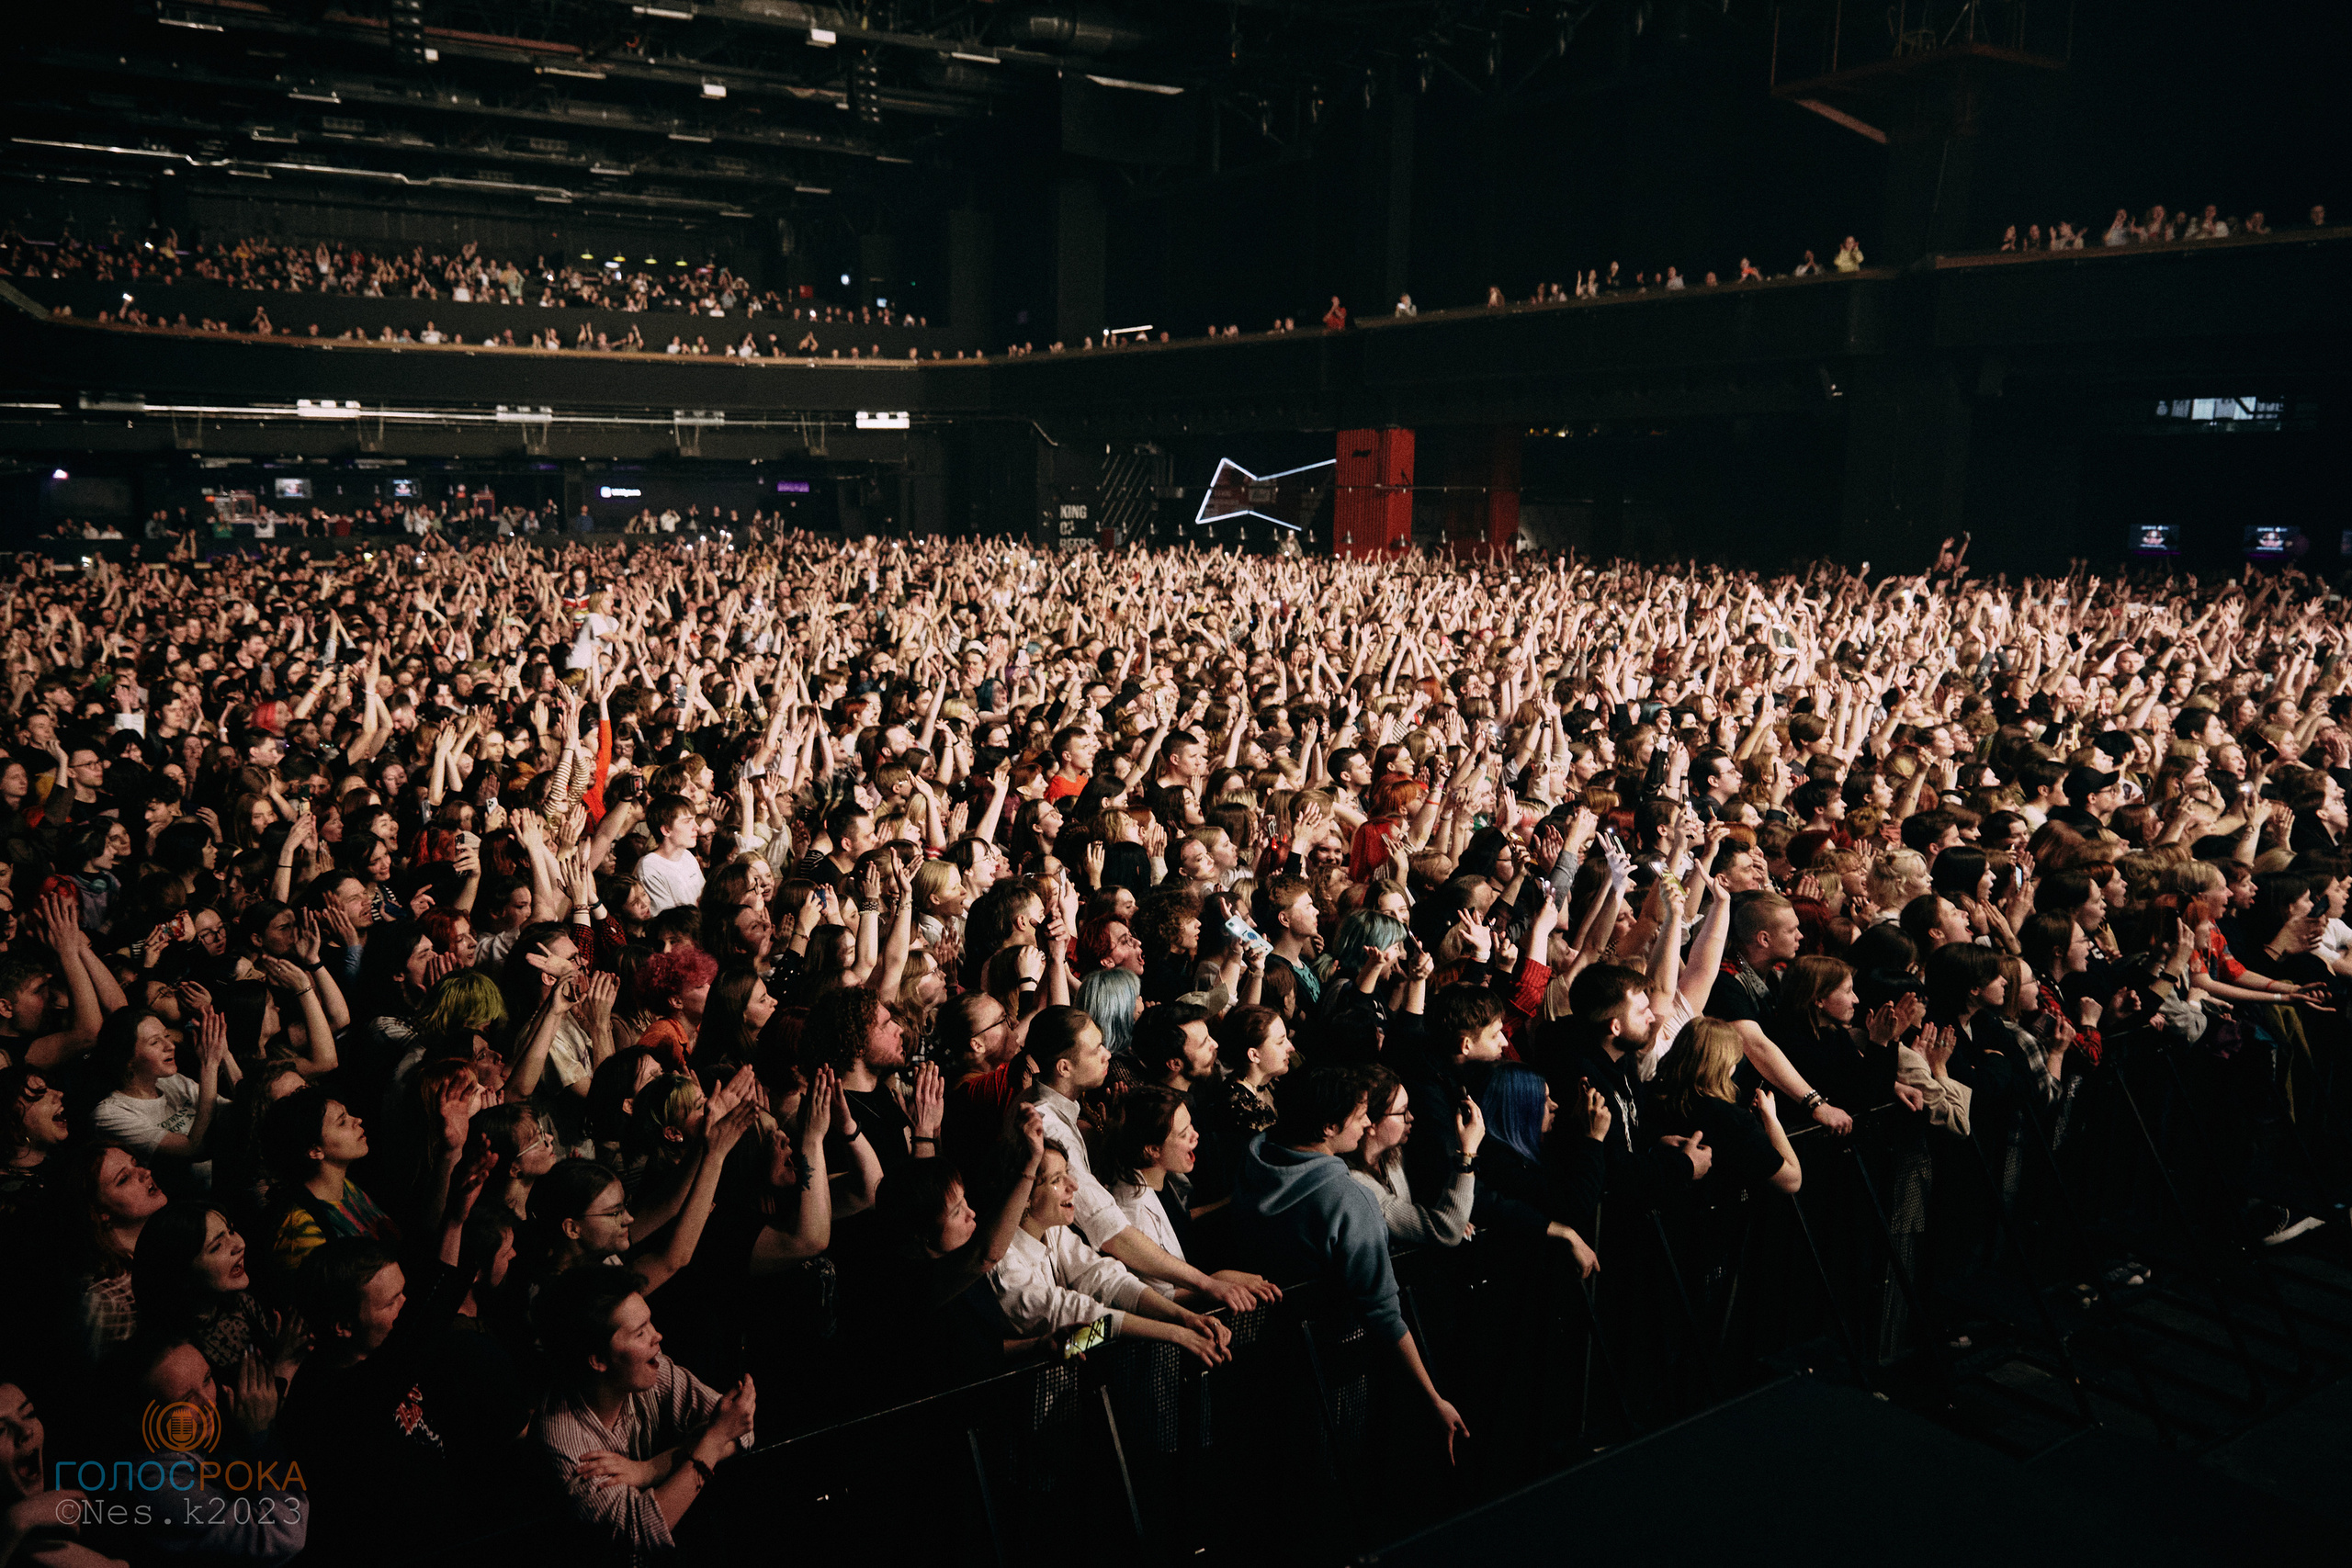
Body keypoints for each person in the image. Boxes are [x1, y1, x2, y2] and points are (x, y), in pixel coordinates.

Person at [1229, 1066, 1470, 1458]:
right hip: (1335, 1358)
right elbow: (1384, 1313)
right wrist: (1433, 1398)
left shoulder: (1255, 1162)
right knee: (1335, 1460)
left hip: (1264, 1355)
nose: (1367, 1124)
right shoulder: (1348, 1200)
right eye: (1360, 1117)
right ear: (1328, 1127)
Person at [531, 1267, 757, 1559]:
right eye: (640, 1332)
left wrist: (648, 1469)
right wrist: (713, 1439)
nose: (657, 1336)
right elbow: (641, 1530)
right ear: (598, 1360)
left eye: (650, 1323)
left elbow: (741, 1429)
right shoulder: (562, 1436)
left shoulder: (650, 1371)